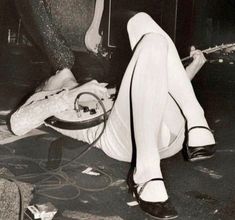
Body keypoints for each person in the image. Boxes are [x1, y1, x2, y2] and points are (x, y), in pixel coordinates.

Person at [10, 11, 216, 219]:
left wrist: (191, 70)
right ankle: (147, 170)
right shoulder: (47, 100)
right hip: (124, 142)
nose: (62, 72)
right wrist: (69, 95)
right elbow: (17, 123)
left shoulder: (97, 88)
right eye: (55, 74)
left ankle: (196, 120)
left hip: (169, 136)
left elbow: (153, 95)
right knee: (150, 42)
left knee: (145, 29)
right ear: (44, 85)